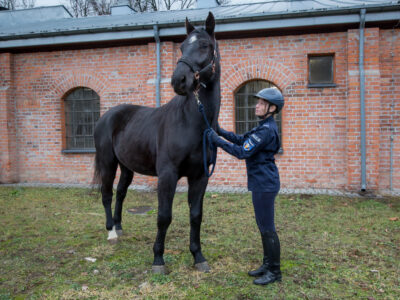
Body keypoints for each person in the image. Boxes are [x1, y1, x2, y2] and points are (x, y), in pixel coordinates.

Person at [207, 87, 284, 286]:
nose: (256, 105)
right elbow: (242, 140)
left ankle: (275, 272)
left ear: (272, 107)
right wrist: (220, 131)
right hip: (262, 183)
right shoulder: (263, 126)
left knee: (268, 229)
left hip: (264, 184)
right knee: (263, 226)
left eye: (260, 103)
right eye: (257, 102)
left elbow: (242, 152)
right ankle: (267, 265)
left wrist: (217, 141)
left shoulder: (266, 130)